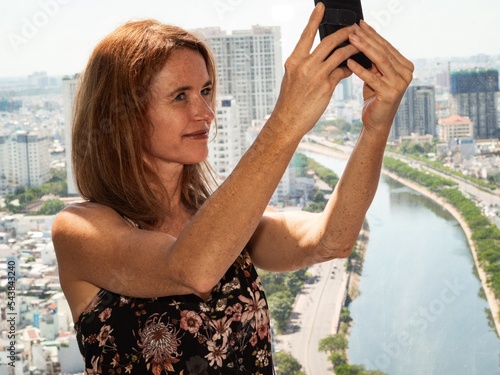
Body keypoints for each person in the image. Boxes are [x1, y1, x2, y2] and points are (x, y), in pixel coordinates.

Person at [52, 2, 413, 374]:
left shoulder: (222, 220)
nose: (206, 112)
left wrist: (375, 127)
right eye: (181, 96)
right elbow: (191, 267)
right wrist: (286, 120)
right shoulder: (80, 230)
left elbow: (332, 239)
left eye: (206, 91)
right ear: (122, 114)